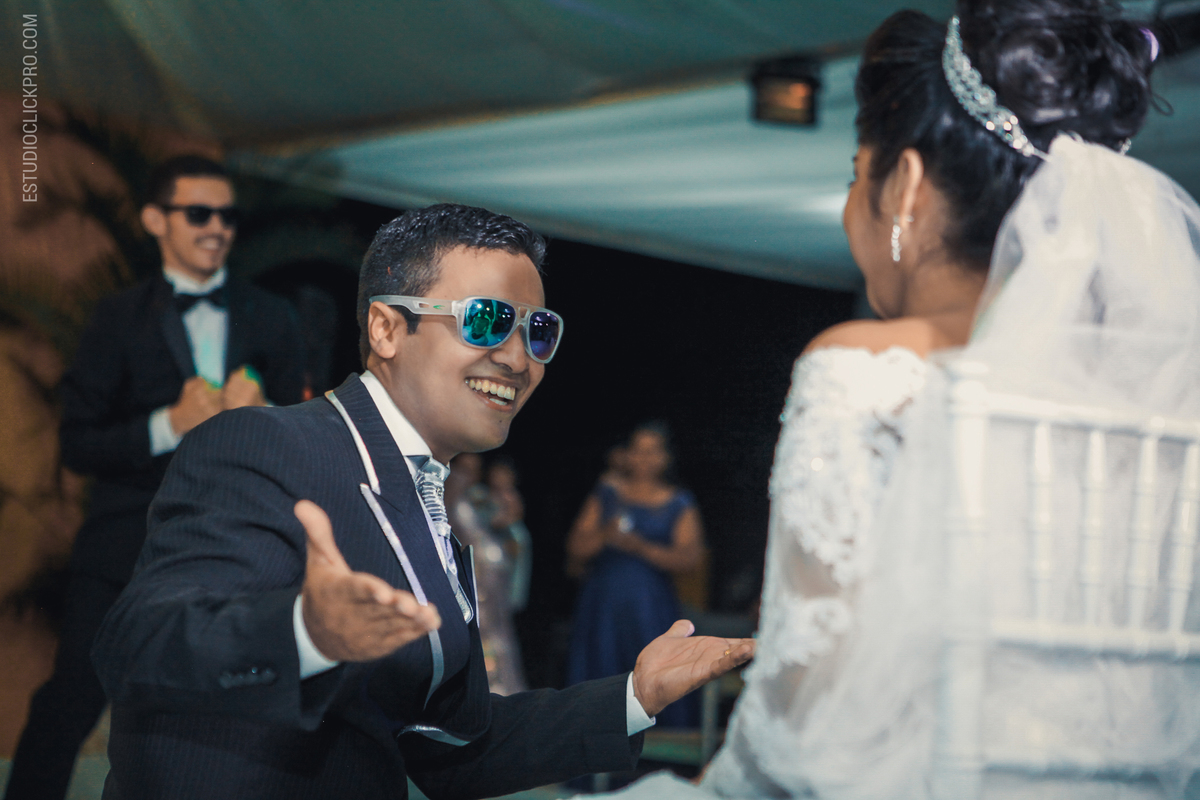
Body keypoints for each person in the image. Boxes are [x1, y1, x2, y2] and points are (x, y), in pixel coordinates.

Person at [586, 1, 1200, 797]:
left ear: (903, 185)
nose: (852, 207)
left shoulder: (863, 370)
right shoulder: (1161, 400)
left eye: (854, 175)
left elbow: (805, 722)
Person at [90, 203, 754, 800]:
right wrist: (303, 631)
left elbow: (447, 751)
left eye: (538, 331)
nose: (518, 359)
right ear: (385, 327)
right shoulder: (266, 444)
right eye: (488, 321)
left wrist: (633, 698)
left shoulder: (423, 497)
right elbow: (136, 644)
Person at [4, 155, 305, 800]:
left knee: (232, 712)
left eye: (227, 215)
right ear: (154, 219)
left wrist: (267, 416)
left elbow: (306, 439)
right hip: (120, 548)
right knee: (71, 700)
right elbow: (78, 442)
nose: (217, 227)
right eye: (198, 213)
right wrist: (169, 424)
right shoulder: (117, 318)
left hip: (232, 552)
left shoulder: (272, 317)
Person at [566, 422, 706, 728]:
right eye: (637, 451)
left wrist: (639, 547)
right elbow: (575, 548)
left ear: (665, 457)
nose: (644, 459)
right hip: (603, 606)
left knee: (652, 677)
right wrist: (605, 534)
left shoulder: (679, 501)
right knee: (602, 675)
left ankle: (656, 763)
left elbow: (690, 558)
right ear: (627, 455)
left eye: (652, 451)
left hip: (650, 608)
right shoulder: (606, 494)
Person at [444, 453, 528, 695]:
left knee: (499, 637)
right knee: (483, 636)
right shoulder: (453, 496)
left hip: (493, 582)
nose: (468, 475)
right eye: (464, 468)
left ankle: (503, 690)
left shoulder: (476, 498)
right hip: (476, 581)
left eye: (474, 469)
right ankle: (488, 690)